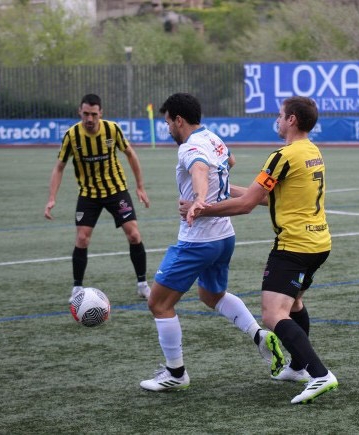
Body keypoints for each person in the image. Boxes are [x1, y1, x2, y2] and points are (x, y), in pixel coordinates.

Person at [187, 96, 338, 405]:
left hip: (294, 246)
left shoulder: (282, 155)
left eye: (281, 115)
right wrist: (224, 190)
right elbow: (267, 197)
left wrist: (202, 209)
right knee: (294, 304)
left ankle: (320, 374)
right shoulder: (311, 151)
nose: (278, 120)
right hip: (318, 243)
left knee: (272, 314)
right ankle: (297, 368)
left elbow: (246, 205)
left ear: (292, 119)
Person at [139, 92, 285, 392]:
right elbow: (228, 162)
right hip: (224, 237)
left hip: (198, 241)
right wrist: (217, 195)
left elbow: (200, 170)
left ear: (179, 120)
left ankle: (175, 374)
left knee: (158, 303)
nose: (167, 129)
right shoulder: (214, 138)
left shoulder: (189, 147)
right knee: (211, 296)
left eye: (167, 123)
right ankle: (259, 335)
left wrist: (200, 200)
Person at [44, 93, 152, 301]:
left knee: (134, 235)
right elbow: (59, 167)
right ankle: (77, 289)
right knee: (82, 238)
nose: (90, 119)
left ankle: (142, 284)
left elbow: (131, 154)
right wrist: (51, 198)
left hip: (116, 190)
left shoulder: (112, 129)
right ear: (80, 112)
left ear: (100, 113)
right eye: (86, 114)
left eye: (94, 114)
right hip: (88, 194)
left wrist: (140, 187)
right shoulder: (72, 135)